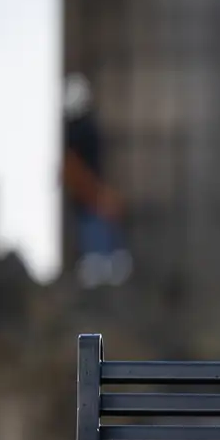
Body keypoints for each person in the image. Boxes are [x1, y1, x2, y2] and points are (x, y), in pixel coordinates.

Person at [62, 74, 132, 288]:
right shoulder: (86, 128)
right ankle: (105, 263)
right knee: (97, 223)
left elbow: (75, 163)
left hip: (89, 188)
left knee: (96, 224)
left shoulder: (79, 131)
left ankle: (101, 265)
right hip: (90, 188)